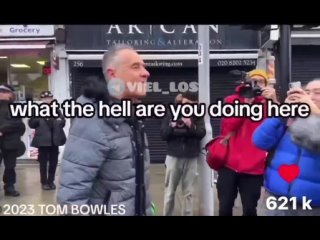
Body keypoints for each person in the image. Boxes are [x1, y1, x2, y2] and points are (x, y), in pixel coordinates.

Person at [57, 44, 153, 215]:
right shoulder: (93, 120)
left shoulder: (130, 116)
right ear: (112, 74)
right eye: (135, 66)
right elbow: (72, 195)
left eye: (144, 66)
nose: (146, 73)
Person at [253, 79, 320, 216]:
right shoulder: (292, 118)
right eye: (306, 92)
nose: (309, 97)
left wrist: (315, 113)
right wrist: (281, 111)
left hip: (312, 204)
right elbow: (260, 141)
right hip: (277, 198)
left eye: (317, 93)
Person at [217, 69, 278, 216]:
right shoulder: (232, 100)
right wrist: (246, 105)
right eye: (253, 81)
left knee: (250, 209)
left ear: (265, 85)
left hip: (254, 167)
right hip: (229, 165)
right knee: (224, 207)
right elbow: (227, 127)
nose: (256, 85)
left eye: (260, 82)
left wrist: (274, 101)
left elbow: (280, 126)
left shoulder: (267, 103)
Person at [161, 92, 206, 216]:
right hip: (173, 156)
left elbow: (201, 133)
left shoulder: (198, 116)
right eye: (185, 103)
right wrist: (172, 126)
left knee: (188, 192)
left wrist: (190, 125)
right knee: (169, 191)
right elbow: (163, 134)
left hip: (191, 157)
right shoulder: (171, 113)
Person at [28, 91, 66, 190]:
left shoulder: (56, 109)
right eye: (45, 99)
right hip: (43, 140)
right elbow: (31, 124)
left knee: (53, 162)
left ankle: (51, 181)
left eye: (49, 98)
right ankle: (44, 182)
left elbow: (63, 122)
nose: (47, 100)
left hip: (54, 140)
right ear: (41, 100)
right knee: (43, 163)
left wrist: (57, 121)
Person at [0, 84, 25, 197]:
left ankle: (9, 187)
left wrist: (2, 130)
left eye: (4, 91)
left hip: (10, 141)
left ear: (10, 94)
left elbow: (18, 124)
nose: (1, 93)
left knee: (10, 166)